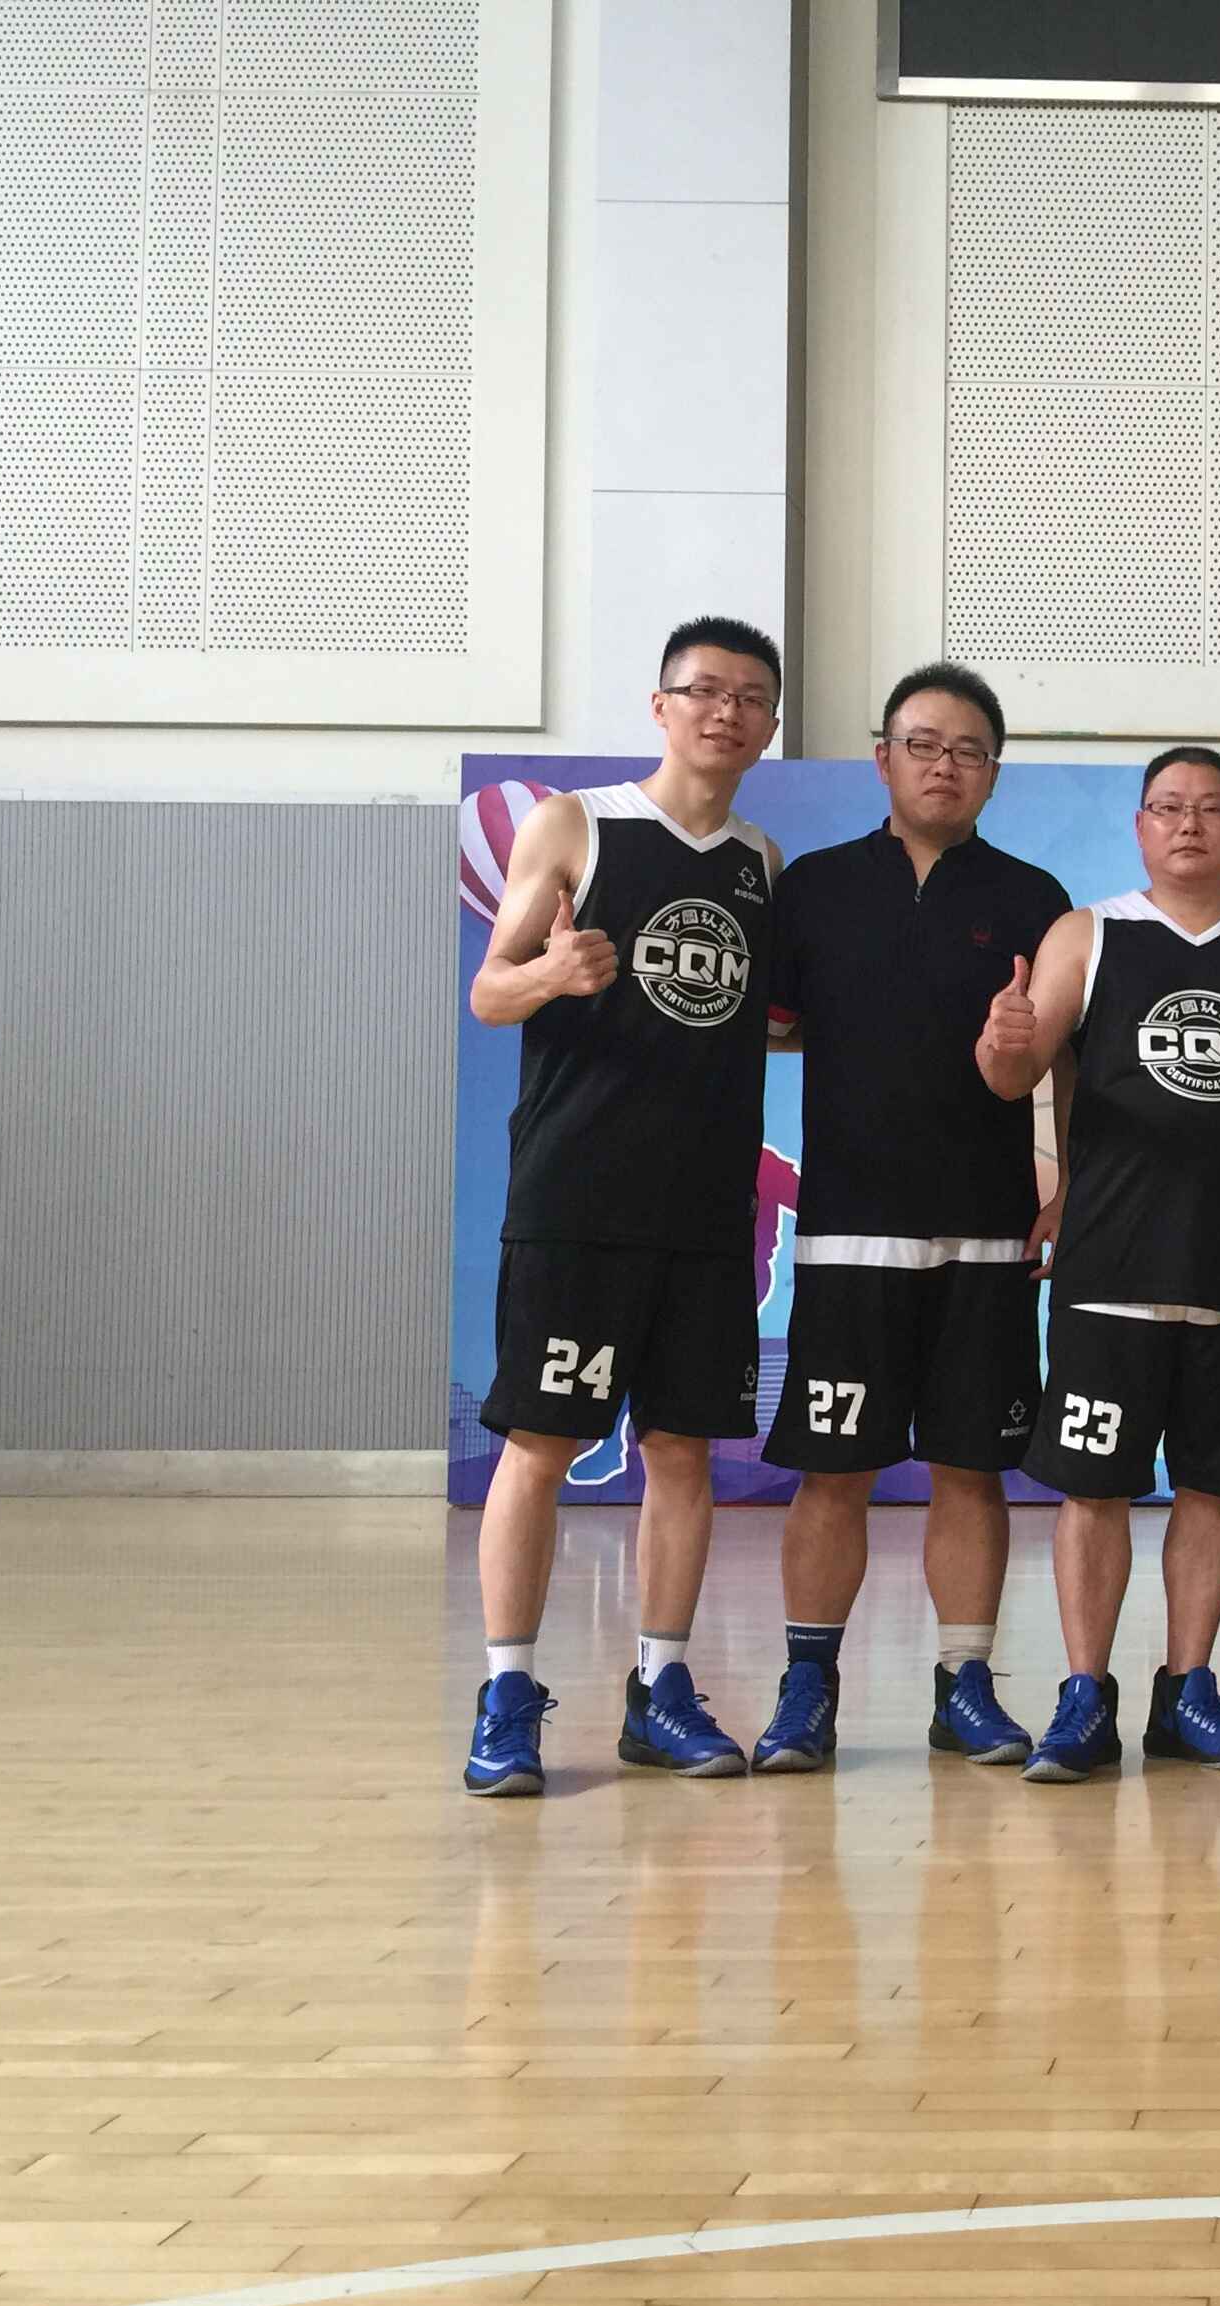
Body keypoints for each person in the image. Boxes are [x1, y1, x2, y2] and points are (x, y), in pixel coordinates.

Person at [462, 616, 786, 1796]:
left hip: (703, 1210)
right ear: (661, 706)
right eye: (704, 690)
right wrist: (553, 973)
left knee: (683, 1453)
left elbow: (757, 1018)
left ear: (769, 724)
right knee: (541, 1446)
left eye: (750, 697)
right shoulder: (577, 823)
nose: (725, 712)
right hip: (578, 1197)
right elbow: (493, 989)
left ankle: (661, 1688)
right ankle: (507, 1693)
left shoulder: (760, 861)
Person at [975, 747, 1220, 1782]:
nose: (1190, 825)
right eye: (1169, 807)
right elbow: (1013, 1075)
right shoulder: (1089, 934)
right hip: (1109, 1264)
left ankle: (1188, 1692)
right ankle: (1085, 1696)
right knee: (1093, 1493)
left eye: (1212, 808)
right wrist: (1002, 1039)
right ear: (1139, 826)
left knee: (1212, 1490)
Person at [753, 663, 1071, 1773]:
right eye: (924, 744)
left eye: (969, 750)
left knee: (971, 1468)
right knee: (832, 1470)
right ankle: (807, 1687)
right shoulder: (815, 889)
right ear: (882, 757)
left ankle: (965, 1685)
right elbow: (769, 1028)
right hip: (851, 1231)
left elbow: (1059, 1064)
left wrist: (1062, 1181)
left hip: (988, 1233)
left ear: (994, 773)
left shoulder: (1034, 897)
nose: (945, 765)